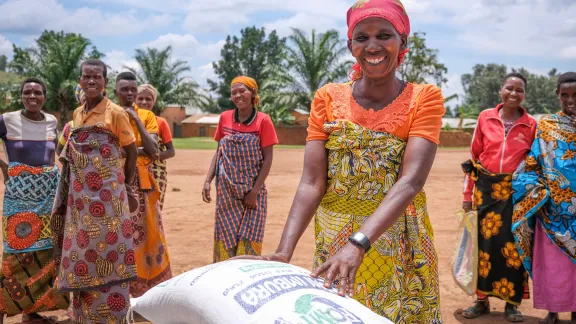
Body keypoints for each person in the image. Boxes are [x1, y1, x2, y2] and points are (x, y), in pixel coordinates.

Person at [236, 1, 445, 322]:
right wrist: (284, 251)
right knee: (340, 313)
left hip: (396, 236)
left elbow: (411, 181)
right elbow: (311, 182)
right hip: (334, 234)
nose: (373, 45)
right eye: (362, 37)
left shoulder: (424, 98)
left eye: (384, 35)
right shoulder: (328, 97)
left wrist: (358, 243)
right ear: (350, 45)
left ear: (403, 42)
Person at [51, 59, 138, 324]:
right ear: (80, 80)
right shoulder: (77, 115)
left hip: (110, 200)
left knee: (112, 250)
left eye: (97, 77)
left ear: (105, 81)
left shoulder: (116, 113)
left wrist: (125, 185)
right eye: (86, 76)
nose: (91, 81)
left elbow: (131, 151)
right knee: (83, 253)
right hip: (81, 203)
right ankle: (85, 316)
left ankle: (113, 316)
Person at [461, 72, 537, 322]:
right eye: (509, 88)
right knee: (483, 247)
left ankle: (512, 303)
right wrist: (466, 193)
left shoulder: (530, 124)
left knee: (514, 247)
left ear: (525, 94)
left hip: (516, 194)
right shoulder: (485, 117)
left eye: (519, 89)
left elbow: (533, 162)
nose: (514, 93)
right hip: (485, 191)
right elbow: (474, 157)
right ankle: (481, 301)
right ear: (500, 90)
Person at [0, 78, 69, 324]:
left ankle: (31, 313)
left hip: (48, 196)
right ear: (21, 96)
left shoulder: (51, 121)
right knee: (15, 251)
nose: (32, 96)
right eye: (27, 92)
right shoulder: (7, 120)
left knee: (45, 253)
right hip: (18, 197)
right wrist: (4, 168)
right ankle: (3, 308)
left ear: (44, 96)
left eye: (37, 92)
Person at [512, 72, 576, 324]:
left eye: (575, 95)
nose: (570, 100)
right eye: (565, 95)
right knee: (553, 265)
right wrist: (536, 190)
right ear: (557, 96)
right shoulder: (547, 125)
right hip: (551, 209)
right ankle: (552, 309)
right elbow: (533, 161)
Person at [202, 76, 278, 262]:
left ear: (253, 93)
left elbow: (268, 159)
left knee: (249, 238)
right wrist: (207, 180)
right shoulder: (225, 117)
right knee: (225, 237)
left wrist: (254, 192)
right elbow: (219, 151)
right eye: (233, 92)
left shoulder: (263, 120)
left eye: (242, 91)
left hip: (252, 194)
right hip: (226, 192)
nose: (237, 95)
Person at [114, 72, 172, 297]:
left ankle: (148, 294)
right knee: (117, 236)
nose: (129, 94)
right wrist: (135, 150)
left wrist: (136, 119)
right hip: (114, 183)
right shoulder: (109, 114)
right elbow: (109, 150)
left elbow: (154, 150)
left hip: (143, 183)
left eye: (133, 90)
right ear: (116, 92)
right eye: (124, 89)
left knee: (148, 235)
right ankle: (117, 291)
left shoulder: (147, 116)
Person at [136, 84, 176, 209]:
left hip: (156, 173)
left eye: (148, 99)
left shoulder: (161, 122)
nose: (144, 102)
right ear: (134, 100)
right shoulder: (128, 119)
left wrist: (153, 156)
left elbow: (171, 151)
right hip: (133, 170)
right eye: (140, 98)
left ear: (154, 102)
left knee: (154, 209)